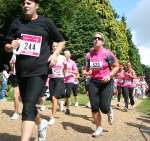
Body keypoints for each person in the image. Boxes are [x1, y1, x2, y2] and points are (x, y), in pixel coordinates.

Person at [4, 0, 65, 141]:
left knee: (28, 107)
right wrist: (11, 45)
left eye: (29, 2)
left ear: (36, 5)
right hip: (21, 71)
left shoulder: (46, 23)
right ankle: (41, 123)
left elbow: (61, 41)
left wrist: (55, 54)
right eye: (23, 3)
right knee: (28, 105)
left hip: (40, 70)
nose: (25, 5)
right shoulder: (17, 23)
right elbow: (6, 45)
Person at [82, 32, 119, 137]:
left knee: (104, 108)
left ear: (102, 42)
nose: (96, 39)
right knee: (94, 106)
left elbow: (116, 66)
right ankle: (98, 127)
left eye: (99, 38)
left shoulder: (108, 53)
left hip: (106, 82)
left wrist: (110, 75)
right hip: (94, 82)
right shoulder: (89, 55)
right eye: (94, 38)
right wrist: (85, 72)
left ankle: (108, 110)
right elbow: (85, 69)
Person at [48, 42, 66, 125]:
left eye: (56, 46)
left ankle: (52, 117)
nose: (55, 47)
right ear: (52, 48)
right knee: (53, 99)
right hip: (51, 79)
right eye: (53, 46)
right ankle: (60, 104)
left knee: (54, 97)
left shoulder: (63, 58)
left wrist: (64, 75)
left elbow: (65, 68)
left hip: (59, 79)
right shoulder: (49, 56)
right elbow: (46, 67)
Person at [64, 50, 78, 114]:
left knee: (68, 93)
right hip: (62, 79)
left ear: (69, 55)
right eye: (64, 54)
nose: (65, 55)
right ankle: (63, 104)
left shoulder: (72, 62)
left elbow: (76, 72)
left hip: (70, 80)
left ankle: (67, 108)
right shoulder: (62, 62)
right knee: (62, 94)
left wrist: (70, 72)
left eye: (67, 54)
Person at [9, 54, 21, 120]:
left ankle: (27, 111)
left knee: (24, 96)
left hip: (25, 76)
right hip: (15, 76)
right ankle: (16, 113)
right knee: (15, 95)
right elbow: (11, 62)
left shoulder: (27, 52)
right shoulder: (14, 54)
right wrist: (12, 67)